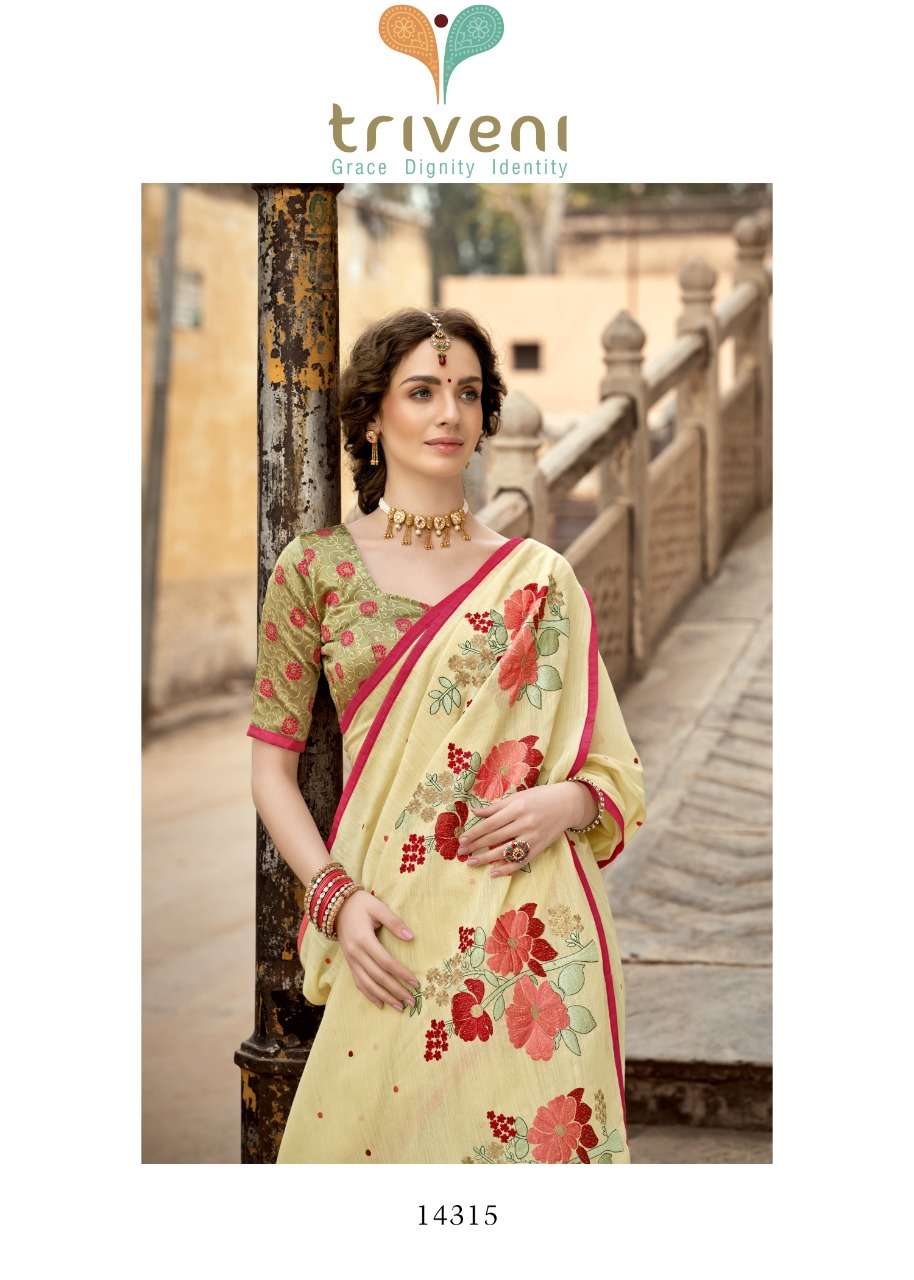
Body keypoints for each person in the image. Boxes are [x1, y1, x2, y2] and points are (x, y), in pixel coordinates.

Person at [248, 307, 647, 1164]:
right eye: (422, 391)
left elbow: (617, 768)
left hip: (530, 936)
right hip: (389, 927)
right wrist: (334, 897)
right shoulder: (315, 569)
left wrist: (566, 803)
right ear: (371, 416)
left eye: (467, 393)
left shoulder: (540, 579)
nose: (449, 414)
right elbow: (270, 772)